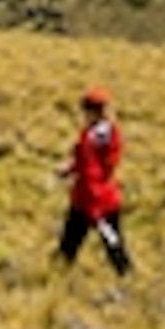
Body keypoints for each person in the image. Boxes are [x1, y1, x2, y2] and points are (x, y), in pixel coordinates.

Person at [57, 86, 131, 274]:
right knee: (112, 242)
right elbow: (97, 164)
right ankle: (127, 276)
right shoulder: (106, 133)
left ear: (92, 112)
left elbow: (93, 171)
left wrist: (94, 208)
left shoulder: (94, 137)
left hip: (93, 201)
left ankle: (55, 277)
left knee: (74, 244)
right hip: (104, 198)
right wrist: (70, 169)